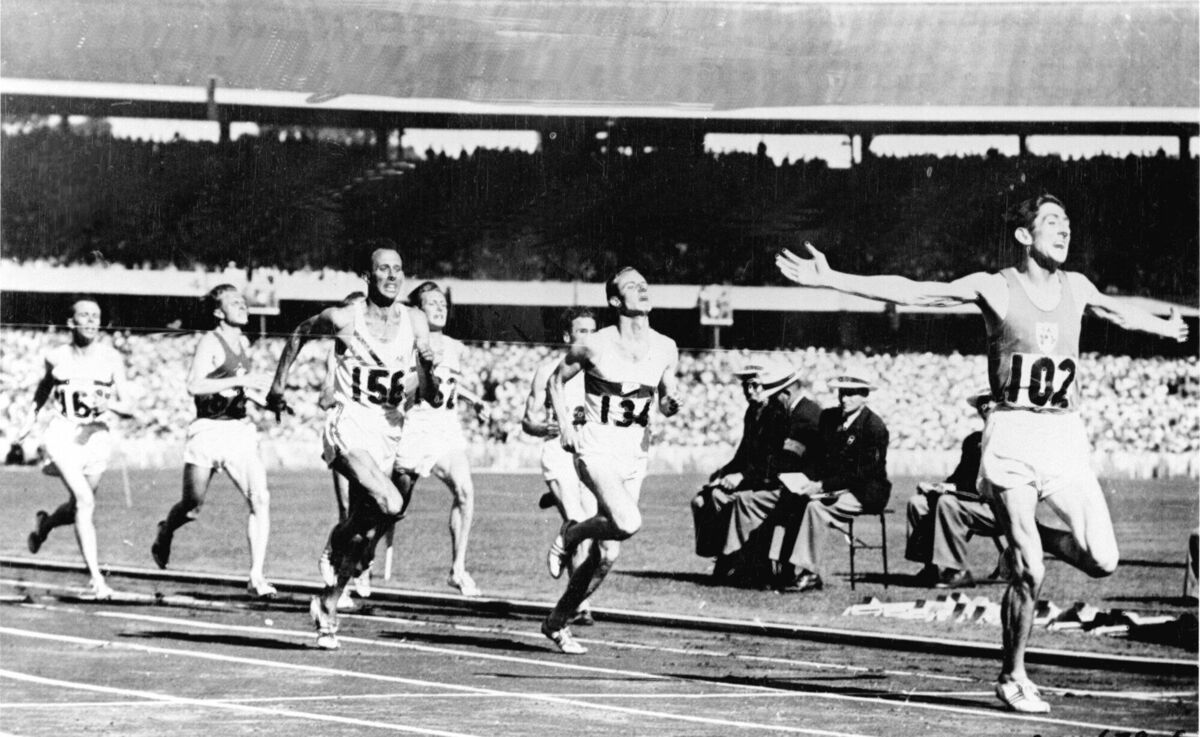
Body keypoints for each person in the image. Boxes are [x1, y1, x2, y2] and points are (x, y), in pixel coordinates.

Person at [776, 193, 1189, 713]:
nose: (1065, 229)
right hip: (1013, 434)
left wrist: (1162, 326)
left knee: (1102, 560)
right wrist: (833, 278)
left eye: (1067, 221)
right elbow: (918, 292)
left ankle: (1019, 535)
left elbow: (1118, 311)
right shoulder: (996, 287)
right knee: (1030, 570)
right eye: (1052, 221)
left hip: (1064, 437)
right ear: (1024, 236)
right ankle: (1012, 675)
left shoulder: (1077, 286)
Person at [266, 243, 438, 650]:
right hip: (349, 424)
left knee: (363, 534)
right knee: (391, 503)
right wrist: (277, 385)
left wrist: (427, 368)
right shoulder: (345, 317)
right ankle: (334, 544)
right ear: (367, 276)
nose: (392, 276)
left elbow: (430, 396)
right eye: (383, 269)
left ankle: (328, 605)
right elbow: (301, 331)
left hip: (389, 428)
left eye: (398, 268)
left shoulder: (415, 321)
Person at [541, 267, 681, 654]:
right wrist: (565, 425)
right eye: (632, 286)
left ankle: (557, 621)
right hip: (596, 448)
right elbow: (555, 381)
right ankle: (571, 534)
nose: (643, 288)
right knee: (628, 522)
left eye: (645, 283)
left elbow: (666, 397)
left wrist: (671, 403)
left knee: (608, 555)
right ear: (616, 301)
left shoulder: (666, 346)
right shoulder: (595, 344)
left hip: (635, 454)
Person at [150, 285, 277, 598]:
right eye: (234, 303)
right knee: (191, 507)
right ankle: (166, 530)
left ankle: (256, 576)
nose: (243, 306)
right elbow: (194, 386)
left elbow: (238, 391)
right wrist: (242, 380)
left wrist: (267, 403)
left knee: (260, 499)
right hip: (208, 430)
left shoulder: (243, 342)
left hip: (238, 431)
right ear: (219, 312)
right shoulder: (210, 342)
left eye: (243, 301)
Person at [21, 298, 136, 599]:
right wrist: (30, 418)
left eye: (96, 316)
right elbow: (43, 388)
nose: (91, 321)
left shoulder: (111, 358)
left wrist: (108, 405)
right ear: (71, 322)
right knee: (85, 501)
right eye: (84, 315)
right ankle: (97, 579)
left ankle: (45, 525)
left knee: (77, 507)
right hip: (62, 435)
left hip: (95, 437)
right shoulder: (56, 356)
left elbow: (129, 406)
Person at [393, 281, 490, 597]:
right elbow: (401, 388)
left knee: (465, 490)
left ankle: (458, 569)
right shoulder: (405, 343)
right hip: (414, 429)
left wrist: (474, 399)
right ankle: (362, 560)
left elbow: (449, 385)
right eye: (431, 303)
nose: (439, 308)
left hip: (446, 430)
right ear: (418, 312)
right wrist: (422, 372)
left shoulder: (455, 347)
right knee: (393, 507)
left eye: (443, 303)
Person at [767, 366, 891, 592]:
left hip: (863, 491)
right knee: (791, 498)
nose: (844, 399)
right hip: (833, 486)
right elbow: (818, 457)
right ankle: (779, 566)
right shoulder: (829, 418)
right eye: (842, 393)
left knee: (815, 508)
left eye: (851, 394)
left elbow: (861, 474)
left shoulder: (874, 427)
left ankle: (809, 572)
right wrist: (804, 480)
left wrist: (821, 485)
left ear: (865, 396)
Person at [521, 307, 600, 624]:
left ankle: (575, 599)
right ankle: (579, 604)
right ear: (568, 336)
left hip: (589, 453)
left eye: (593, 331)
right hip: (557, 451)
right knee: (576, 521)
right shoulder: (547, 370)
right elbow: (527, 421)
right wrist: (543, 427)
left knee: (590, 529)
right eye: (582, 331)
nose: (589, 338)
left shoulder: (602, 370)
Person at [905, 390, 1004, 589]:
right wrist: (936, 487)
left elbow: (993, 482)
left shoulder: (1009, 440)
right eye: (981, 404)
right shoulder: (973, 440)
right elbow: (960, 476)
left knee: (947, 503)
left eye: (990, 402)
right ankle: (931, 568)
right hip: (971, 502)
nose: (985, 407)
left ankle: (957, 570)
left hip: (998, 508)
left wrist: (950, 489)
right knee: (918, 503)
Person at [316, 291, 373, 610]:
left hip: (373, 436)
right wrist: (335, 395)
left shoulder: (379, 350)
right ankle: (339, 574)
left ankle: (361, 565)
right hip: (344, 436)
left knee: (376, 511)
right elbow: (325, 394)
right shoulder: (337, 352)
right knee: (348, 510)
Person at [690, 359, 766, 573]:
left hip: (760, 480)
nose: (749, 391)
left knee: (716, 497)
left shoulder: (773, 413)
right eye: (745, 386)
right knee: (699, 501)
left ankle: (729, 557)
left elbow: (767, 460)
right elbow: (743, 454)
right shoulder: (752, 412)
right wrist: (723, 471)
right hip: (747, 476)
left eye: (754, 385)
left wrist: (741, 476)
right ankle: (719, 553)